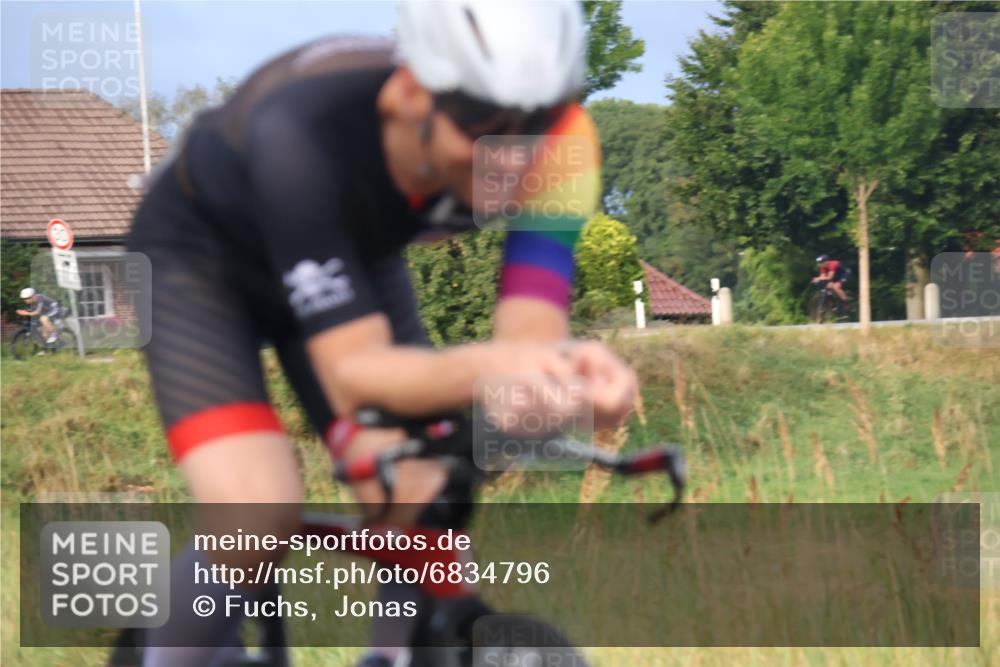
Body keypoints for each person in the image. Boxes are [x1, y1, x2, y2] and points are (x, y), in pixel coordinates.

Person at [126, 2, 636, 666]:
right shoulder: (301, 132)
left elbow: (527, 344)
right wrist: (497, 370)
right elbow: (355, 371)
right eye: (481, 123)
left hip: (350, 256)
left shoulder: (565, 143)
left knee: (418, 503)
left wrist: (560, 383)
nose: (508, 155)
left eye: (534, 125)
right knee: (256, 511)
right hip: (199, 261)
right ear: (409, 93)